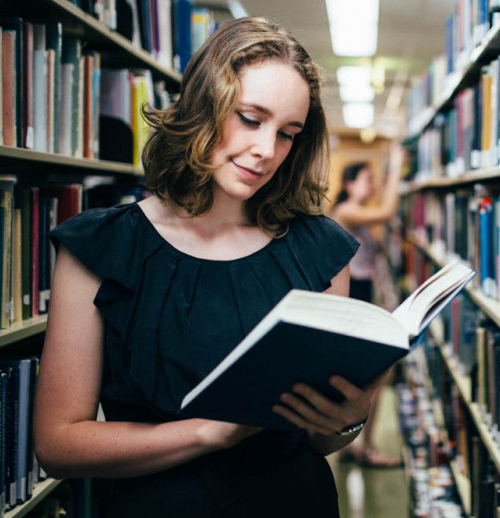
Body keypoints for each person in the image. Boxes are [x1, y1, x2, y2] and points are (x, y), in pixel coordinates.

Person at [32, 17, 388, 517]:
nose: (267, 151)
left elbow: (318, 442)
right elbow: (57, 445)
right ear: (203, 106)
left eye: (288, 133)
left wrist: (346, 420)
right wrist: (208, 433)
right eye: (249, 117)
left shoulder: (320, 250)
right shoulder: (101, 246)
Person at [329, 150, 403, 468]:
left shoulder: (354, 211)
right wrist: (396, 169)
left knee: (362, 381)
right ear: (349, 183)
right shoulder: (346, 211)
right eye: (367, 179)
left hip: (360, 299)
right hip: (354, 302)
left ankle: (352, 446)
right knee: (371, 380)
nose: (372, 185)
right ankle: (365, 448)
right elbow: (386, 212)